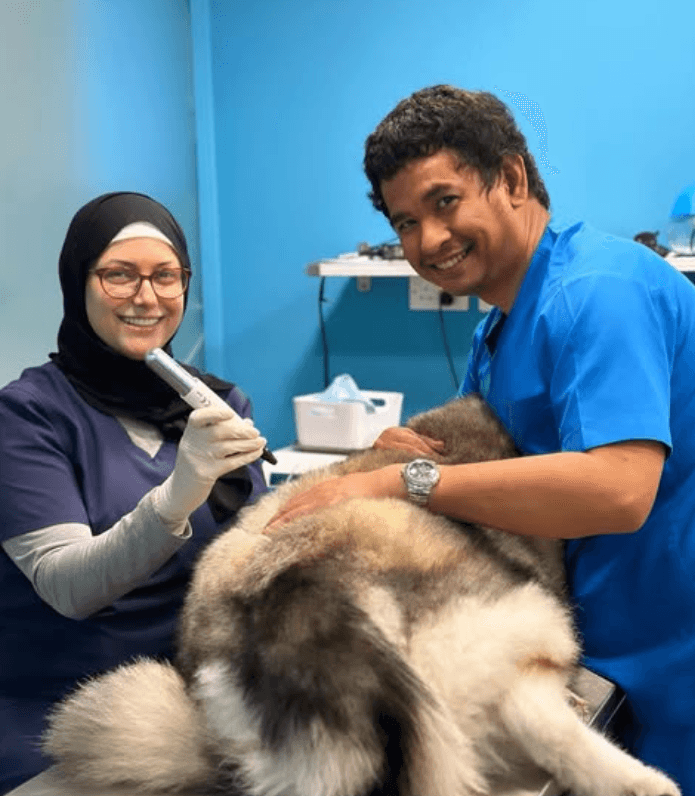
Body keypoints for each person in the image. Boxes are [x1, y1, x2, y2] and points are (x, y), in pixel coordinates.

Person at [268, 85, 695, 794]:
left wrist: (402, 483)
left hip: (675, 650)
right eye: (404, 222)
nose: (427, 241)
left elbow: (618, 490)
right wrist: (412, 450)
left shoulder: (596, 289)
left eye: (444, 202)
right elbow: (502, 477)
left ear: (513, 179)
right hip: (609, 654)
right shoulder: (493, 333)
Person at [0, 192, 268, 794]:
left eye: (165, 276)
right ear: (79, 282)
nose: (146, 298)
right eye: (119, 274)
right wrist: (178, 495)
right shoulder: (27, 417)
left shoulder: (220, 404)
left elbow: (251, 561)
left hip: (200, 702)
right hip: (63, 714)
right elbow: (70, 588)